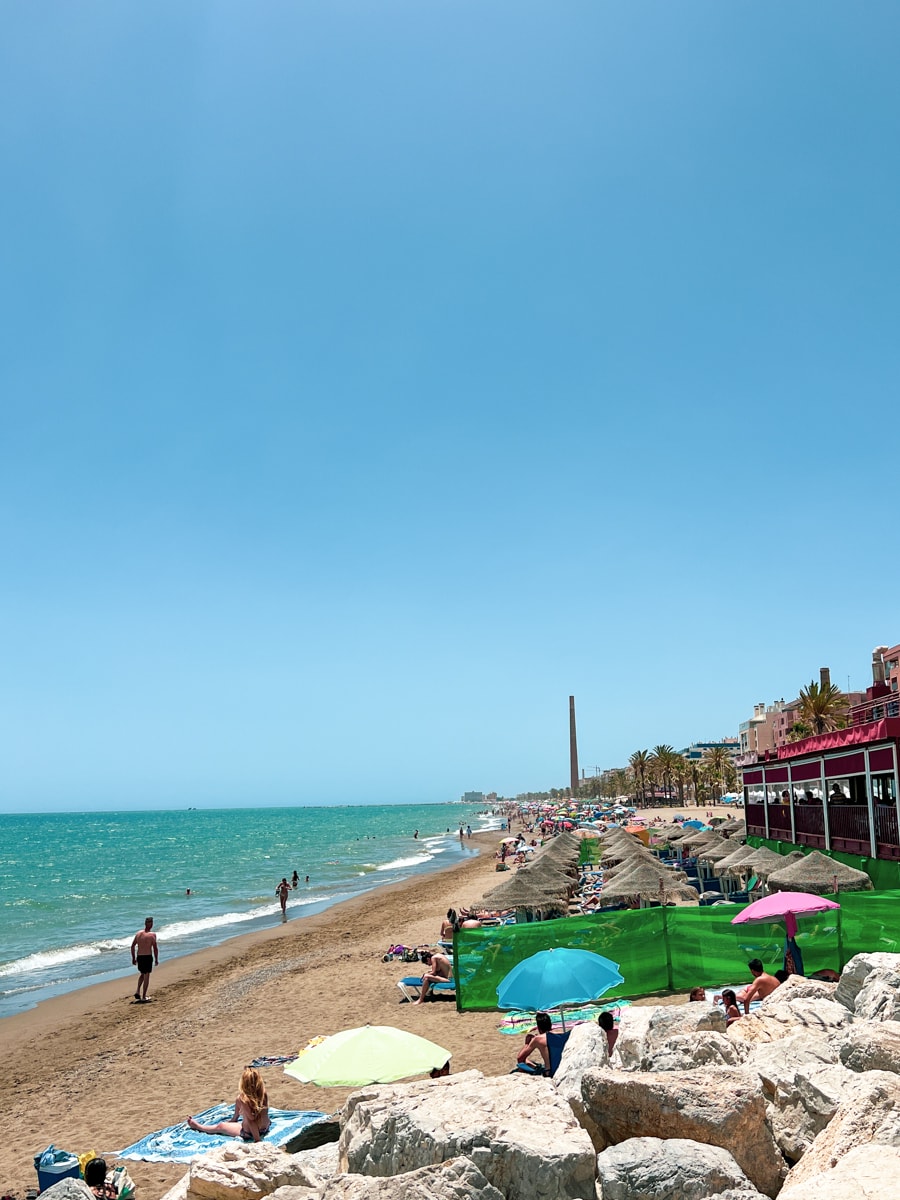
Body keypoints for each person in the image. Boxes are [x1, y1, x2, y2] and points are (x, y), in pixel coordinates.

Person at [188, 1068, 270, 1142]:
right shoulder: (263, 1093)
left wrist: (257, 1139)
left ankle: (198, 1127)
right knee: (239, 1099)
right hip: (265, 1127)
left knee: (221, 1126)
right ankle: (235, 1117)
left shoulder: (244, 1099)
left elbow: (251, 1120)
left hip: (251, 1132)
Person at [131, 917, 158, 1002]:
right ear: (151, 924)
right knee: (147, 976)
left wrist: (133, 958)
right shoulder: (152, 935)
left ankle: (138, 991)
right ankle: (143, 996)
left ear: (145, 924)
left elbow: (132, 946)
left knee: (142, 974)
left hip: (140, 957)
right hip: (147, 956)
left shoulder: (138, 933)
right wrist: (156, 959)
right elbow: (155, 948)